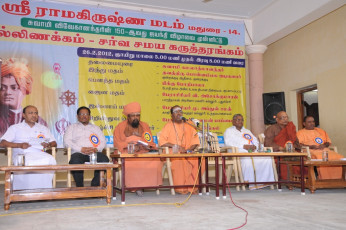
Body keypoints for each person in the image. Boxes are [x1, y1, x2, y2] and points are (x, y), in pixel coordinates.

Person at [0, 105, 56, 190]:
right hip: (22, 154)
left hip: (40, 153)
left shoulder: (43, 128)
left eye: (36, 113)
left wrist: (48, 145)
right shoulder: (15, 128)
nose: (34, 115)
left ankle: (44, 189)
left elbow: (54, 143)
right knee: (29, 162)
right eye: (30, 113)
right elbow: (3, 143)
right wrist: (19, 145)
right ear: (23, 115)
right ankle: (25, 190)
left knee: (50, 159)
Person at [113, 102, 163, 196]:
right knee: (132, 162)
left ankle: (146, 185)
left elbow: (150, 142)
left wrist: (144, 145)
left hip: (143, 151)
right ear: (128, 117)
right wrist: (129, 145)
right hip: (127, 152)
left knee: (156, 160)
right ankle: (137, 187)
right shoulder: (120, 127)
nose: (136, 118)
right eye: (133, 116)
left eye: (138, 115)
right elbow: (117, 143)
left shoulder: (145, 126)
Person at [224, 114, 274, 190]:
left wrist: (255, 146)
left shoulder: (247, 131)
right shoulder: (229, 131)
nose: (240, 121)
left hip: (252, 151)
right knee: (247, 158)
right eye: (238, 120)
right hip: (239, 152)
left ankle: (264, 181)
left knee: (266, 157)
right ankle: (249, 181)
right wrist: (243, 146)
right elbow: (229, 142)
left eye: (242, 120)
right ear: (233, 122)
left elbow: (255, 141)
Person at [159, 105, 201, 194]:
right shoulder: (168, 126)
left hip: (188, 152)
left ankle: (193, 187)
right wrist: (176, 146)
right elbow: (162, 142)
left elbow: (195, 141)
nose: (179, 113)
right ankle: (182, 188)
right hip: (173, 152)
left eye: (180, 111)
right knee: (179, 159)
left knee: (201, 160)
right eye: (176, 111)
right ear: (171, 115)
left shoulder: (189, 125)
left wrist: (188, 150)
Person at [0, 58, 47, 137]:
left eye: (14, 87)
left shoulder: (40, 122)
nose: (8, 92)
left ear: (25, 89)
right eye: (2, 88)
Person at [64, 106, 109, 187]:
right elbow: (67, 142)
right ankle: (80, 187)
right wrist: (81, 149)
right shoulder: (72, 127)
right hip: (78, 152)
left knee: (104, 159)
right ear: (77, 116)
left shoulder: (96, 128)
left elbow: (103, 141)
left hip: (93, 153)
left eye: (86, 114)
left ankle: (95, 185)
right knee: (75, 161)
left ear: (89, 116)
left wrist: (96, 149)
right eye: (81, 114)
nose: (84, 116)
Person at [264, 111, 301, 180]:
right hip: (278, 153)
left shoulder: (290, 128)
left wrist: (293, 148)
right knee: (285, 160)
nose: (285, 119)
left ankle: (302, 179)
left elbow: (296, 142)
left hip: (291, 152)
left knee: (302, 159)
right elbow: (267, 143)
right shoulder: (271, 129)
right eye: (282, 117)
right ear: (277, 120)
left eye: (286, 117)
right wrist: (281, 148)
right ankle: (288, 180)